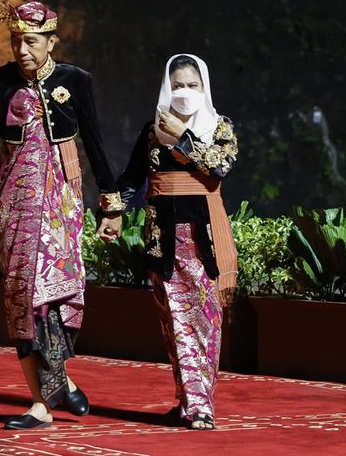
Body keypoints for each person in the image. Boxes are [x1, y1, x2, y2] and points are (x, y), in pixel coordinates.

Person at [0, 1, 123, 430]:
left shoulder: (75, 81)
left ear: (52, 41)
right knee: (21, 299)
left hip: (62, 208)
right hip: (15, 210)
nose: (22, 49)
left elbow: (94, 142)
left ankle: (56, 383)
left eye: (32, 41)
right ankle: (44, 399)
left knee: (54, 297)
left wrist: (110, 205)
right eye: (16, 41)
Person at [114, 54, 238, 430]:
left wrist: (182, 138)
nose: (185, 93)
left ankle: (202, 406)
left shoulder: (220, 127)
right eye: (178, 85)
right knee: (174, 323)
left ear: (205, 88)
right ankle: (188, 401)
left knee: (204, 321)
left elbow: (219, 168)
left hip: (205, 239)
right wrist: (112, 210)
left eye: (193, 85)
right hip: (163, 239)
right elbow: (132, 179)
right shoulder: (151, 131)